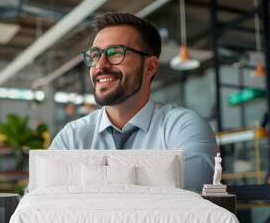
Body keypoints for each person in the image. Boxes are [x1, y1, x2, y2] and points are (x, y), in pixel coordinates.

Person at [49, 12, 217, 193]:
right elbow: (38, 206)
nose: (101, 65)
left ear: (150, 67)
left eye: (115, 53)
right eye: (95, 55)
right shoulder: (72, 138)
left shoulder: (183, 128)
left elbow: (190, 206)